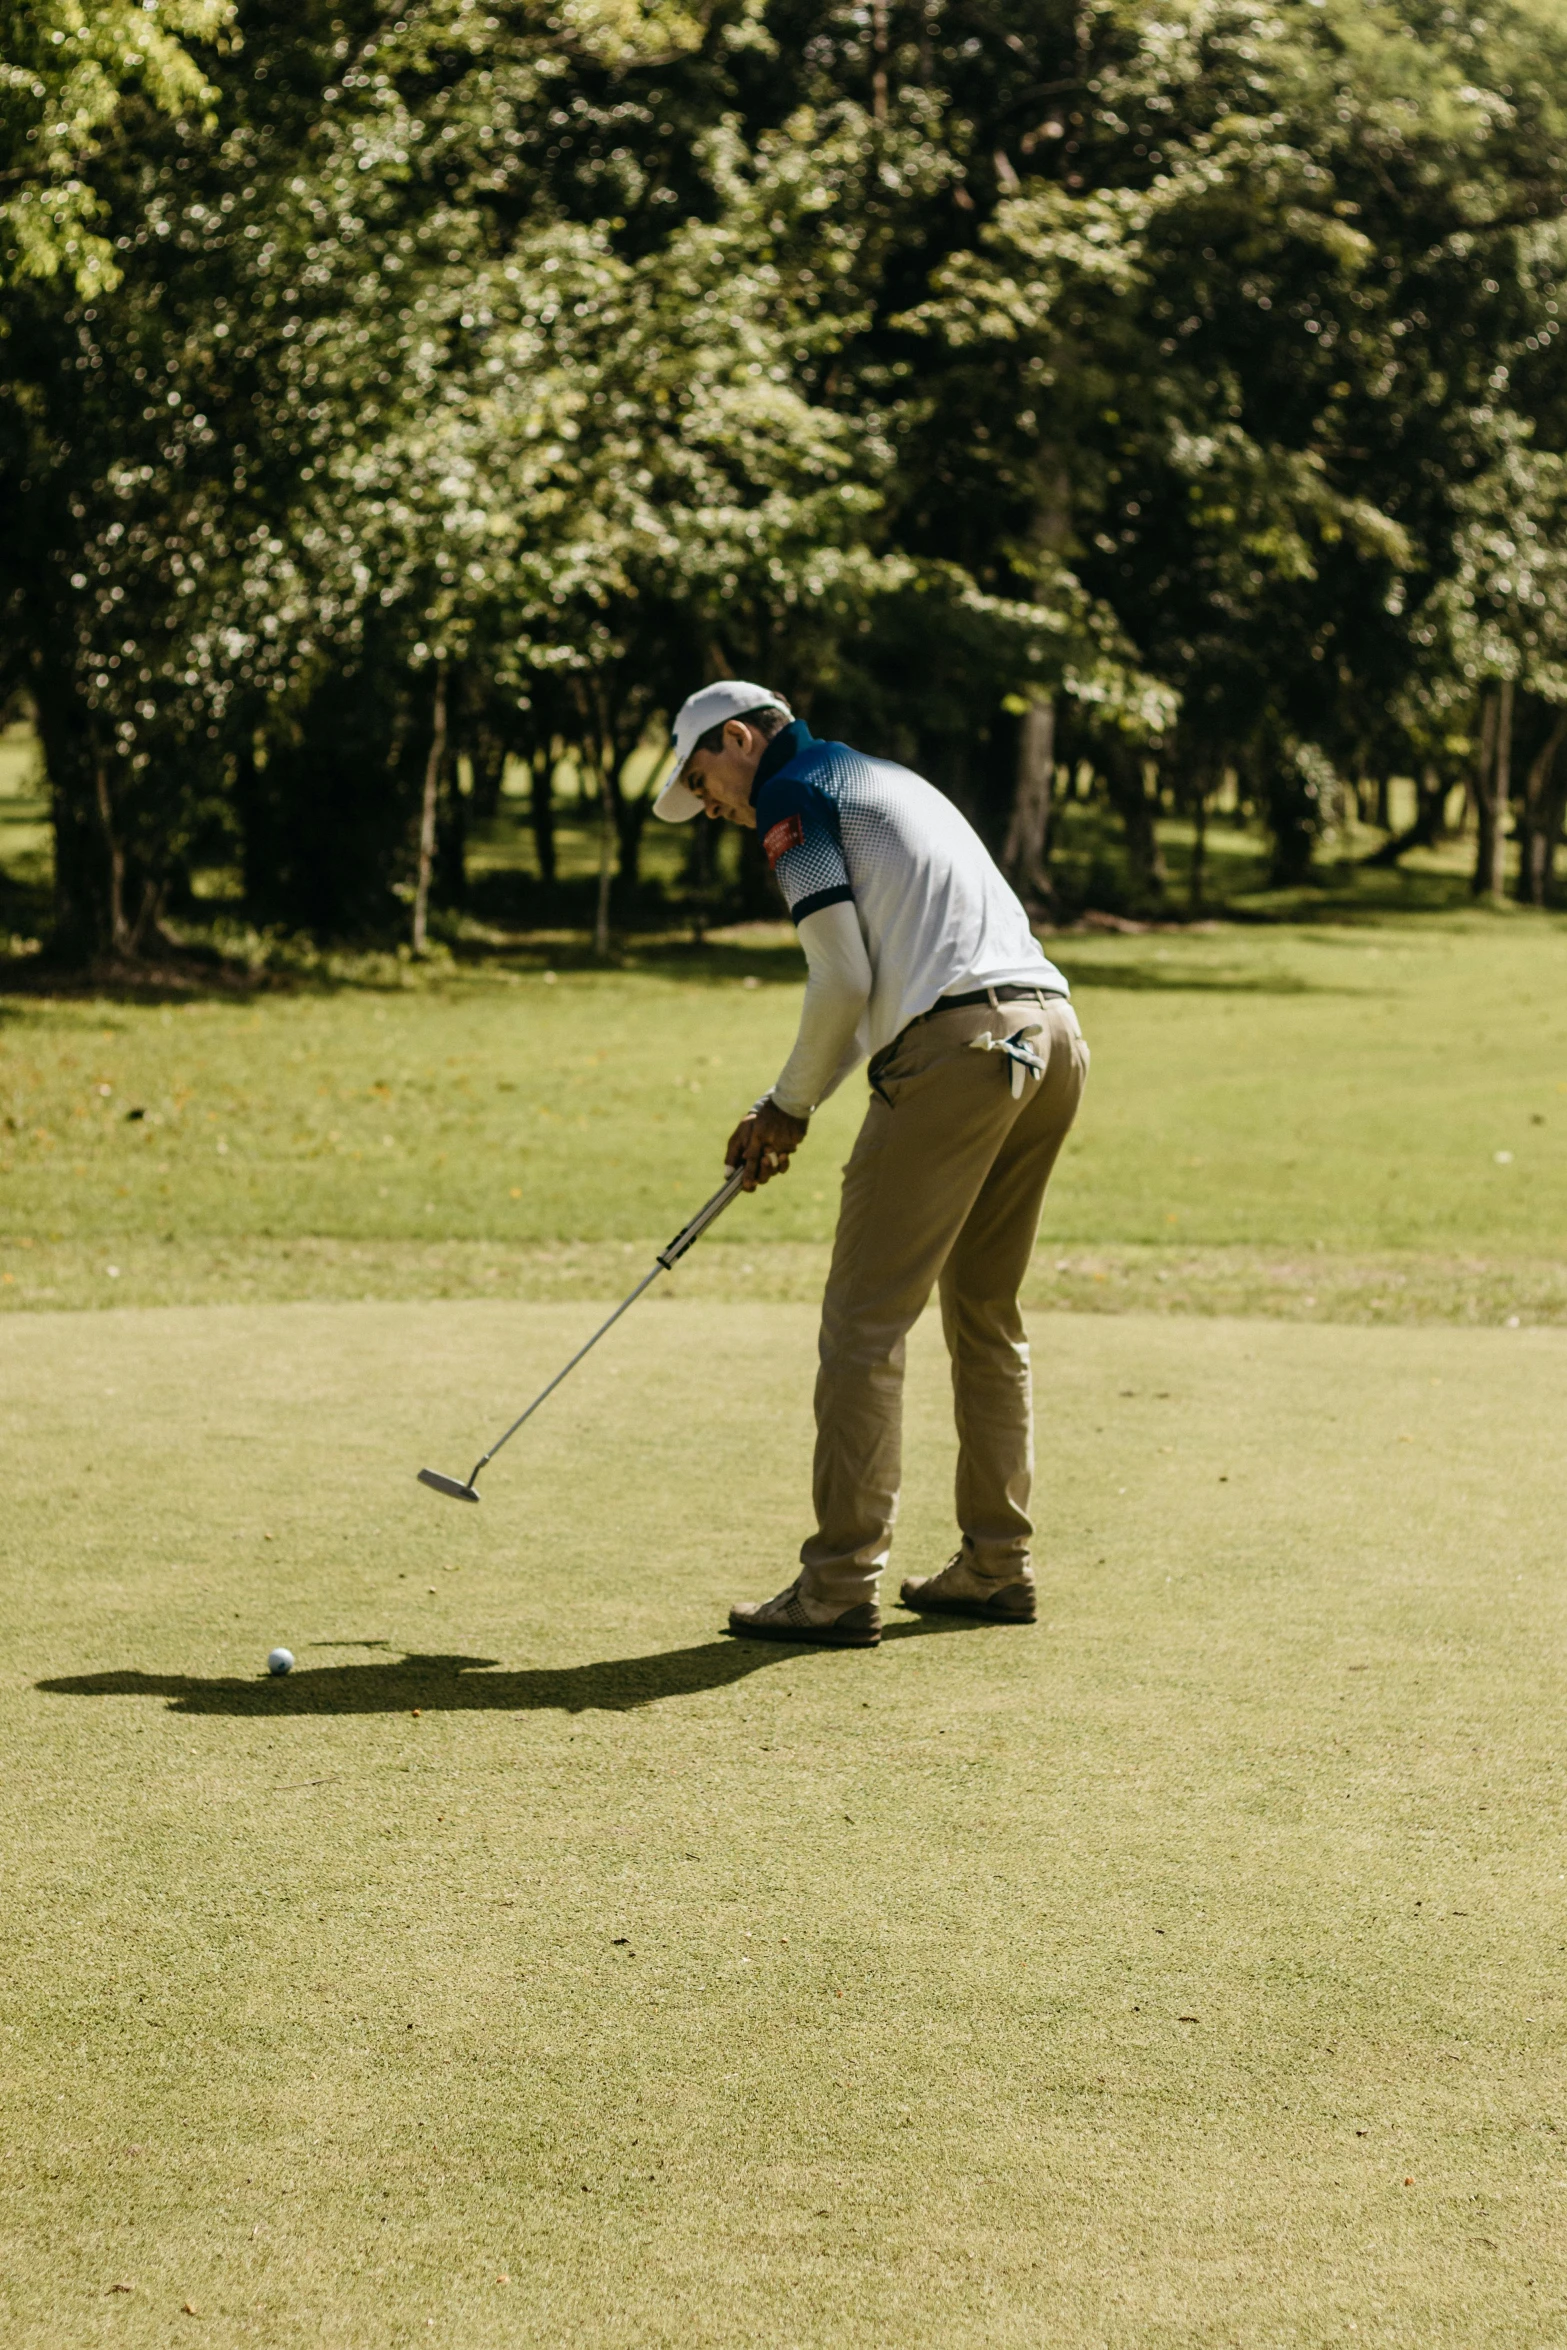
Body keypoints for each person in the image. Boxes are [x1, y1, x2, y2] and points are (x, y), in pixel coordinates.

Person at [655, 680, 1089, 1649]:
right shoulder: (882, 777)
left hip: (961, 1049)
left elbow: (842, 976)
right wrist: (791, 1113)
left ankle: (839, 1583)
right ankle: (994, 1562)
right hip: (1049, 1035)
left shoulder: (793, 794)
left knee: (863, 1321)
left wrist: (785, 1106)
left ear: (736, 739)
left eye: (701, 778)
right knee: (983, 1310)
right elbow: (880, 985)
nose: (711, 806)